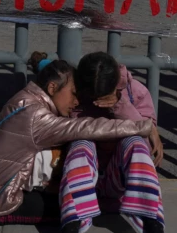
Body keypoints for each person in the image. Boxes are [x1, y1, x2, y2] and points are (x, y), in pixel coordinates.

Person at [0, 52, 156, 227]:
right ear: (53, 87)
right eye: (74, 94)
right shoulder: (37, 116)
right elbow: (85, 128)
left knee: (75, 201)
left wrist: (122, 105)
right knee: (75, 206)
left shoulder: (29, 97)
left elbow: (55, 73)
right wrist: (146, 126)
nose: (76, 102)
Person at [61, 52, 165, 233]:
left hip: (118, 182)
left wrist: (119, 105)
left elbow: (148, 144)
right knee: (81, 144)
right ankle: (74, 221)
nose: (98, 102)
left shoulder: (135, 92)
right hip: (84, 180)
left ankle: (150, 219)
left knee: (135, 142)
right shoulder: (73, 93)